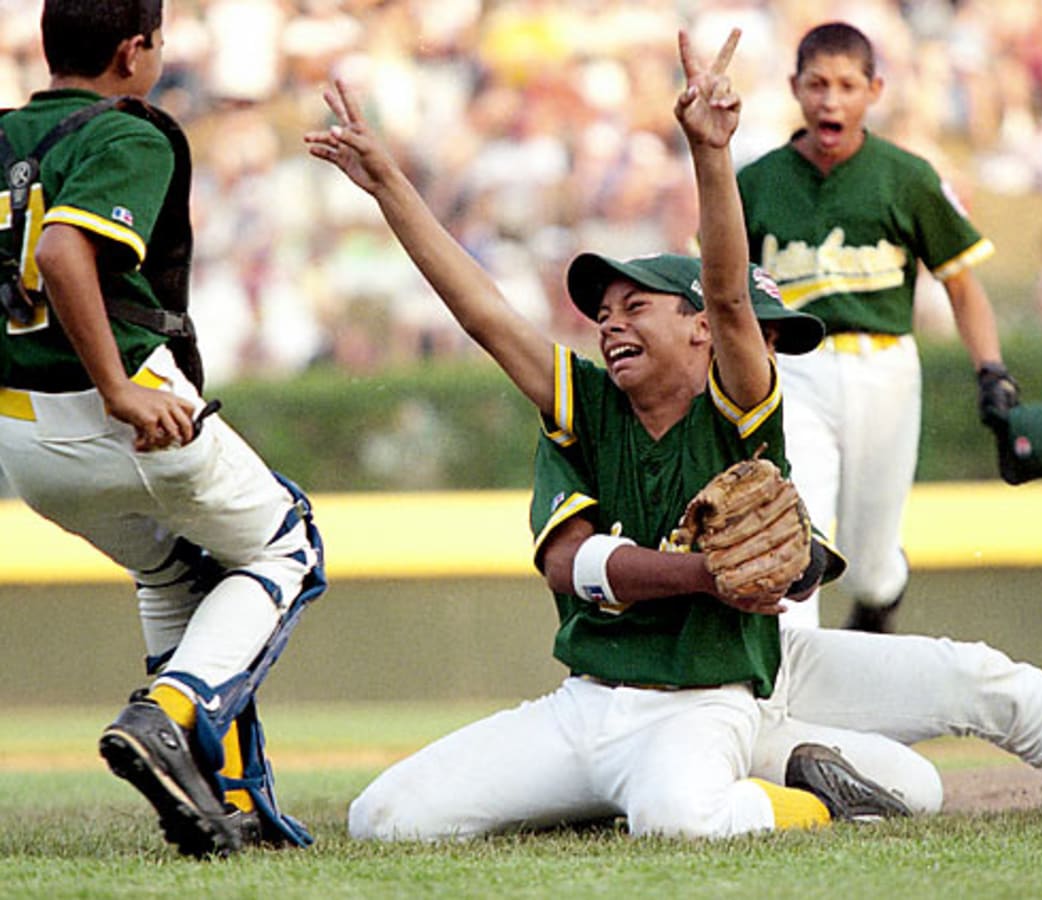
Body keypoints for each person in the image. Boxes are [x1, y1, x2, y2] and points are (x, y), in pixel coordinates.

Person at [309, 29, 920, 841]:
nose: (611, 324)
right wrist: (389, 187)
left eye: (637, 307)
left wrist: (710, 152)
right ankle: (608, 794)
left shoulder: (738, 406)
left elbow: (735, 297)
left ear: (699, 329)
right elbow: (484, 315)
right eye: (602, 313)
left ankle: (810, 803)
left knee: (678, 819)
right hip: (586, 702)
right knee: (381, 818)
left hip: (705, 709)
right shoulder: (588, 405)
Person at [532, 365, 1042, 823]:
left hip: (770, 670)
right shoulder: (616, 424)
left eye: (779, 342)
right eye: (762, 333)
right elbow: (567, 558)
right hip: (667, 703)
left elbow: (807, 564)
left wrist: (794, 562)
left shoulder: (764, 437)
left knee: (925, 774)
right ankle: (625, 795)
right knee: (672, 803)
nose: (770, 353)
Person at [0, 1, 326, 857]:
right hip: (121, 410)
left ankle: (223, 801)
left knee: (172, 572)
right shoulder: (125, 133)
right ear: (132, 50)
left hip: (20, 435)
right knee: (285, 549)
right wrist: (116, 388)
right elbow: (64, 253)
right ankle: (170, 715)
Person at [736, 21, 1015, 633]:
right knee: (796, 542)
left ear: (875, 90)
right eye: (817, 84)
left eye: (846, 85)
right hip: (793, 370)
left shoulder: (906, 177)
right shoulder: (755, 183)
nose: (830, 99)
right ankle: (789, 711)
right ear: (795, 88)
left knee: (869, 566)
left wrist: (992, 371)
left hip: (885, 364)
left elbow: (961, 285)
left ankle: (878, 604)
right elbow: (721, 297)